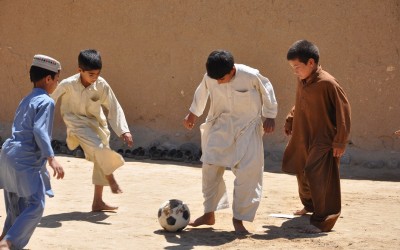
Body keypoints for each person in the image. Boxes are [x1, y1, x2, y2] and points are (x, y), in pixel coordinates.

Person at [183, 50, 278, 234]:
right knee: (209, 167)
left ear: (232, 70)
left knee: (248, 172)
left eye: (221, 78)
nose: (218, 82)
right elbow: (202, 93)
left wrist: (270, 115)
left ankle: (239, 218)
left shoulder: (250, 75)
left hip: (248, 128)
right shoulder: (211, 77)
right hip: (219, 125)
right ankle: (209, 213)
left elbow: (267, 90)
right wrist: (193, 114)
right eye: (215, 79)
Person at [282, 40, 351, 233]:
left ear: (311, 63)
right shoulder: (303, 79)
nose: (294, 71)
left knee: (321, 177)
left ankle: (324, 221)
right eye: (292, 67)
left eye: (297, 66)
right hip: (304, 134)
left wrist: (340, 141)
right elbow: (301, 102)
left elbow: (343, 111)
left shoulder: (328, 83)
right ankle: (311, 207)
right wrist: (290, 119)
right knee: (302, 171)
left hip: (324, 139)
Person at [51, 49, 133, 212]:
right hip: (75, 122)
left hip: (96, 124)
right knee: (99, 149)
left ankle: (98, 202)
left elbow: (114, 107)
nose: (94, 77)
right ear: (79, 70)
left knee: (101, 156)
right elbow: (50, 100)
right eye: (91, 74)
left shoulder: (101, 85)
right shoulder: (67, 84)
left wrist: (124, 131)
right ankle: (111, 178)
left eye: (97, 73)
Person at [0, 55, 65, 250]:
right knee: (36, 204)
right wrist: (51, 157)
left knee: (15, 206)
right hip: (25, 159)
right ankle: (8, 243)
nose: (57, 83)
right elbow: (39, 130)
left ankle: (3, 238)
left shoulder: (26, 99)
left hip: (7, 155)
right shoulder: (46, 101)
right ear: (48, 79)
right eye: (57, 79)